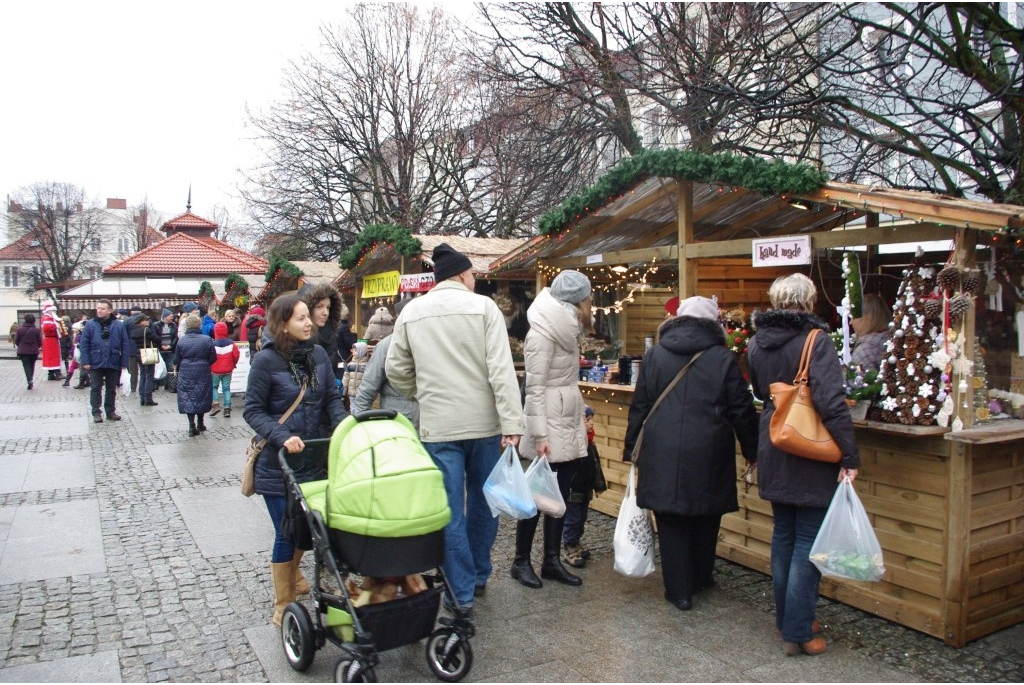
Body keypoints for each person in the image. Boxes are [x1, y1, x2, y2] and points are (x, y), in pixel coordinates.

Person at [386, 243, 524, 614]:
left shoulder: (412, 311)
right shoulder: (484, 308)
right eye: (473, 274)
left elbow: (395, 370)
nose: (475, 279)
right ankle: (478, 575)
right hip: (484, 424)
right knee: (485, 502)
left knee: (448, 510)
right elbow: (501, 369)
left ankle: (460, 591)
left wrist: (422, 394)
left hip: (438, 426)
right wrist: (512, 422)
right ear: (462, 275)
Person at [746, 273, 860, 656]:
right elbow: (830, 402)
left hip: (775, 444)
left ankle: (789, 618)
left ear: (776, 300)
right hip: (809, 450)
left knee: (784, 536)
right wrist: (850, 454)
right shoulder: (816, 340)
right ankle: (797, 629)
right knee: (808, 542)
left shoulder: (755, 343)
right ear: (810, 302)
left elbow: (762, 393)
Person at [624, 295, 759, 611]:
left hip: (661, 448)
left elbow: (640, 406)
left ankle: (679, 590)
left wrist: (632, 448)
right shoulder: (722, 358)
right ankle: (700, 577)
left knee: (670, 519)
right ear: (714, 323)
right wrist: (752, 449)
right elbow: (741, 409)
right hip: (708, 448)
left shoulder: (655, 355)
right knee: (706, 514)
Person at [244, 294, 347, 626]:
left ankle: (294, 579)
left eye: (309, 316)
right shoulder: (266, 360)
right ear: (283, 323)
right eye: (301, 318)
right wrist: (281, 435)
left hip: (312, 458)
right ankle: (283, 601)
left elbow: (329, 396)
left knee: (305, 525)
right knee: (286, 532)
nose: (309, 322)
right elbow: (253, 410)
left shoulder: (315, 354)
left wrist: (345, 427)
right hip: (277, 463)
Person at [512, 270, 593, 590]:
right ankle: (520, 562)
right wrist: (541, 436)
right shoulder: (545, 331)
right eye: (588, 297)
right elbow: (534, 388)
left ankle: (551, 560)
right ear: (578, 299)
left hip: (566, 416)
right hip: (548, 421)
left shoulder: (566, 327)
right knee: (535, 497)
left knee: (558, 496)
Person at [351, 298, 419, 428]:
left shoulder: (428, 344)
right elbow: (367, 389)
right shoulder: (386, 346)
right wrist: (362, 427)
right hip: (396, 423)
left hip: (426, 427)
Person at [562, 406, 607, 568]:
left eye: (591, 419)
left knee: (582, 518)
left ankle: (576, 542)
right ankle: (570, 547)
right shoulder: (573, 444)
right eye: (587, 420)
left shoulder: (590, 444)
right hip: (573, 490)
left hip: (585, 489)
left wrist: (599, 485)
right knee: (572, 519)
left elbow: (595, 466)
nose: (591, 423)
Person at [79, 299, 132, 423]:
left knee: (111, 388)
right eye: (98, 308)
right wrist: (85, 361)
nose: (99, 310)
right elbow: (84, 344)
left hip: (113, 360)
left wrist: (124, 363)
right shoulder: (90, 324)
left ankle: (110, 411)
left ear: (109, 310)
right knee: (95, 388)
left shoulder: (118, 325)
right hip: (95, 360)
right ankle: (96, 412)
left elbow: (125, 344)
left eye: (102, 308)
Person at [174, 314, 217, 436]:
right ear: (199, 325)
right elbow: (213, 357)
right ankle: (200, 422)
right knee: (201, 396)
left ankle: (191, 425)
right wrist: (205, 363)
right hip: (203, 370)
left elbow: (177, 359)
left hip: (186, 371)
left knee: (189, 397)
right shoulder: (206, 339)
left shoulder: (182, 340)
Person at [299, 283, 344, 378]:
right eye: (319, 307)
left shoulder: (330, 336)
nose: (326, 313)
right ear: (307, 309)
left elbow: (336, 365)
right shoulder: (294, 341)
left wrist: (340, 377)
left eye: (328, 307)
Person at [851, 293, 892, 373]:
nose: (851, 322)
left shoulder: (864, 351)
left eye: (854, 317)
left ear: (867, 318)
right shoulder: (895, 341)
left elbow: (858, 383)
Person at [210, 321, 240, 418]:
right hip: (228, 370)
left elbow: (210, 357)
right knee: (226, 388)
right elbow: (236, 355)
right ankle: (227, 408)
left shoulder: (213, 344)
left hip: (215, 371)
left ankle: (215, 404)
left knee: (214, 387)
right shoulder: (231, 343)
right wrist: (233, 363)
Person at [130, 313, 160, 406]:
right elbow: (157, 339)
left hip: (139, 354)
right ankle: (148, 398)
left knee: (142, 375)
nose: (148, 321)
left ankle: (142, 398)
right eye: (146, 320)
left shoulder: (134, 331)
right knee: (149, 376)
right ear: (141, 321)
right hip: (148, 354)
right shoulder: (147, 330)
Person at [14, 313, 42, 390]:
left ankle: (29, 380)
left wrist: (21, 346)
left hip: (23, 351)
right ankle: (30, 379)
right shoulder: (36, 330)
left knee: (26, 366)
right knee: (32, 365)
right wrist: (37, 346)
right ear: (34, 320)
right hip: (34, 351)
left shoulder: (20, 330)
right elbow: (40, 342)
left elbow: (16, 341)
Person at [40, 302, 64, 381]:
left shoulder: (48, 317)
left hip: (50, 340)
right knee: (53, 356)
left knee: (50, 357)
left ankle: (51, 374)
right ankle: (57, 373)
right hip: (51, 340)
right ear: (49, 311)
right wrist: (56, 325)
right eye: (53, 310)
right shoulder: (48, 318)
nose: (54, 312)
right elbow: (46, 327)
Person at [154, 309, 178, 385]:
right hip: (160, 350)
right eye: (170, 316)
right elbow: (155, 337)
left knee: (170, 367)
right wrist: (161, 345)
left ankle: (169, 384)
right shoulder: (156, 325)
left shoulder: (174, 326)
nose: (172, 318)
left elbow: (176, 337)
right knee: (159, 367)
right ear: (165, 317)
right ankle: (157, 383)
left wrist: (170, 346)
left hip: (171, 350)